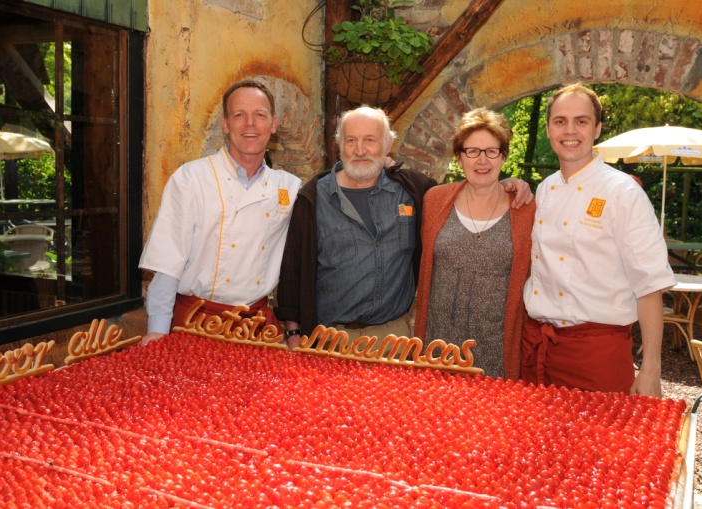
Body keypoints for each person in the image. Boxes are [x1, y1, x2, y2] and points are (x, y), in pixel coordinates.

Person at [276, 105, 533, 350]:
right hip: (329, 339)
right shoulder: (312, 200)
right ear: (340, 145)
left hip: (394, 340)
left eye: (370, 140)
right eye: (351, 140)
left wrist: (506, 185)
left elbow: (470, 189)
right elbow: (292, 270)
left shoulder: (413, 191)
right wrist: (293, 333)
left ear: (388, 145)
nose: (360, 150)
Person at [521, 83, 675, 397]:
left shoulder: (623, 192)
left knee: (601, 446)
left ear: (598, 128)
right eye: (560, 121)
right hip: (538, 348)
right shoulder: (545, 189)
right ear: (549, 129)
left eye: (582, 121)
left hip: (596, 354)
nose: (570, 130)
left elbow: (649, 286)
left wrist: (651, 371)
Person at [139, 79, 301, 343]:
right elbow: (168, 262)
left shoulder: (289, 187)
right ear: (225, 124)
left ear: (273, 124)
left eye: (260, 115)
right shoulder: (191, 179)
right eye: (240, 115)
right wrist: (157, 330)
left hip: (256, 326)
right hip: (195, 323)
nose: (250, 123)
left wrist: (382, 167)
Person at [413, 108, 535, 379]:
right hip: (438, 345)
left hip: (496, 348)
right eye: (472, 151)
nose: (482, 160)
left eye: (491, 151)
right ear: (458, 157)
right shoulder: (434, 200)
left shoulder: (526, 209)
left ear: (503, 156)